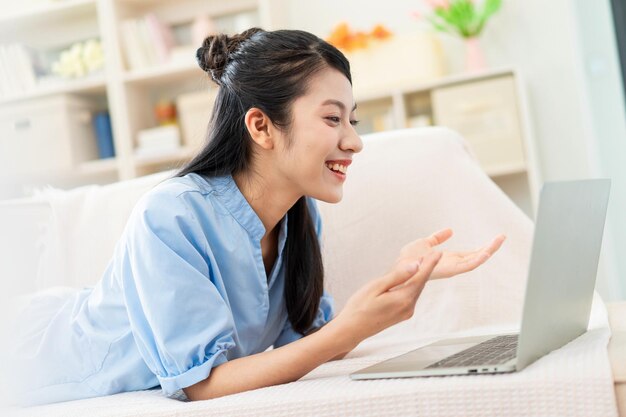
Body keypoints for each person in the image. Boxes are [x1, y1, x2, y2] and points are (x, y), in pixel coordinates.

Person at [11, 28, 505, 406]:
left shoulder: (298, 216)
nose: (354, 141)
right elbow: (202, 387)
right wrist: (350, 329)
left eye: (351, 121)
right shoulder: (172, 216)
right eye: (333, 119)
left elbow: (311, 341)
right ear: (261, 127)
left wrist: (398, 281)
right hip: (27, 352)